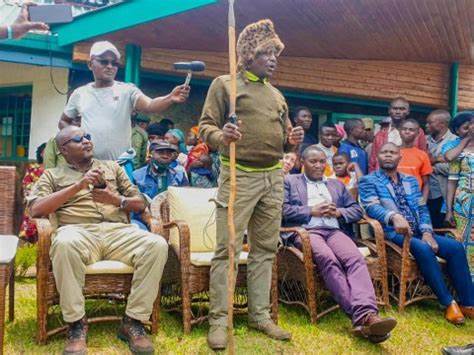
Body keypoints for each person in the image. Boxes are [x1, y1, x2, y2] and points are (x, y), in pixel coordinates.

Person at [199, 19, 304, 350]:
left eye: (276, 53)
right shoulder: (225, 85)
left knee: (265, 250)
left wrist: (292, 140)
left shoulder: (276, 95)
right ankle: (219, 319)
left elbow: (285, 140)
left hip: (273, 178)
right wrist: (221, 135)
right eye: (266, 52)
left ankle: (259, 316)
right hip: (238, 175)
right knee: (227, 249)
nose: (273, 58)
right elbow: (205, 127)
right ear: (247, 54)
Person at [27, 126, 169, 355]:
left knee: (157, 245)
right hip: (77, 231)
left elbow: (141, 204)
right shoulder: (52, 175)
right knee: (64, 244)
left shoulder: (113, 168)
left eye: (88, 137)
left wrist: (116, 199)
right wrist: (78, 186)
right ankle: (76, 324)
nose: (86, 141)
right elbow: (35, 209)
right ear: (63, 149)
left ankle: (133, 321)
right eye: (78, 139)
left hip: (118, 232)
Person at [282, 145, 397, 342]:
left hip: (334, 231)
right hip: (306, 231)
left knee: (354, 259)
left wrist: (338, 213)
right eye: (313, 161)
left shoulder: (336, 185)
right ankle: (365, 317)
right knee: (328, 259)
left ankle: (366, 317)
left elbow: (357, 210)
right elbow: (282, 210)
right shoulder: (290, 181)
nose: (318, 165)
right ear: (302, 162)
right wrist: (311, 211)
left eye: (321, 161)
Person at [359, 143, 474, 324]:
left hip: (419, 232)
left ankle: (468, 303)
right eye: (384, 152)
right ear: (377, 157)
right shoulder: (368, 181)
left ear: (400, 157)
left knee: (456, 247)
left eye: (392, 152)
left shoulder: (410, 181)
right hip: (392, 233)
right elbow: (371, 207)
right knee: (423, 248)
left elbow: (422, 208)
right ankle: (448, 302)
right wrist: (393, 217)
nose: (388, 155)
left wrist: (427, 232)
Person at [60, 41, 189, 161]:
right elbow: (63, 121)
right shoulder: (80, 93)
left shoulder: (127, 90)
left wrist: (170, 98)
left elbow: (150, 105)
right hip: (88, 166)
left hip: (120, 167)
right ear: (90, 64)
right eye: (104, 62)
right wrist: (74, 141)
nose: (110, 67)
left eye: (114, 63)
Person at [444, 112, 474, 281]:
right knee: (462, 239)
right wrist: (448, 210)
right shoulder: (459, 151)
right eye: (470, 124)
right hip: (464, 203)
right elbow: (451, 182)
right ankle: (460, 282)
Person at [369, 97, 428, 172]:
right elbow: (373, 162)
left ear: (408, 111)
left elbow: (423, 158)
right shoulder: (380, 135)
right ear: (389, 110)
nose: (398, 111)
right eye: (395, 108)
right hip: (383, 178)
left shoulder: (417, 132)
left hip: (409, 177)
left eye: (402, 109)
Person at [425, 110, 457, 227]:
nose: (426, 125)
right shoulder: (424, 140)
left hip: (442, 195)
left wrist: (432, 165)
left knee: (439, 227)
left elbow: (453, 169)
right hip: (424, 193)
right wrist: (439, 159)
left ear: (442, 124)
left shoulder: (455, 142)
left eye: (430, 123)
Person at [397, 119, 433, 202]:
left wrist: (422, 204)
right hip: (392, 201)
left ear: (417, 133)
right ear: (399, 131)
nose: (407, 132)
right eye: (404, 129)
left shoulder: (422, 155)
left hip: (413, 201)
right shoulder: (392, 152)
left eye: (411, 130)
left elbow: (426, 184)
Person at [19, 143, 46, 243]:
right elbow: (27, 186)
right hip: (35, 201)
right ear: (41, 154)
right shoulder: (33, 169)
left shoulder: (56, 170)